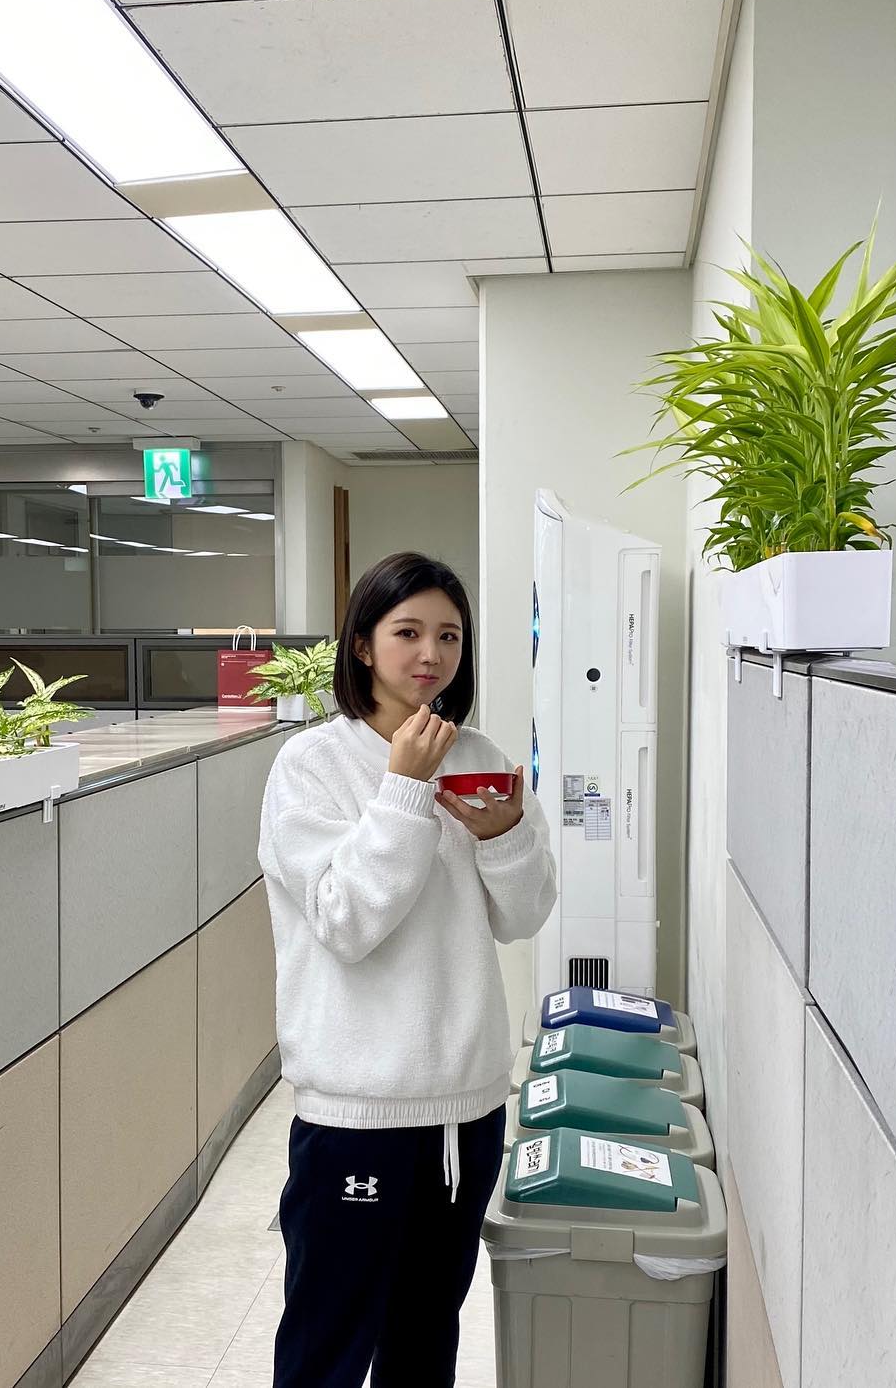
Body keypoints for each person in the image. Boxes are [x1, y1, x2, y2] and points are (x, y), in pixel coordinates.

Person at [259, 551, 558, 1387]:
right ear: (362, 644)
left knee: (426, 1340)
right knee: (327, 1345)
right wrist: (402, 791)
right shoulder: (312, 766)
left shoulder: (480, 752)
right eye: (408, 632)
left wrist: (504, 836)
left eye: (449, 636)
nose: (431, 654)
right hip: (357, 1111)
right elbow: (344, 922)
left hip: (467, 1110)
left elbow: (524, 916)